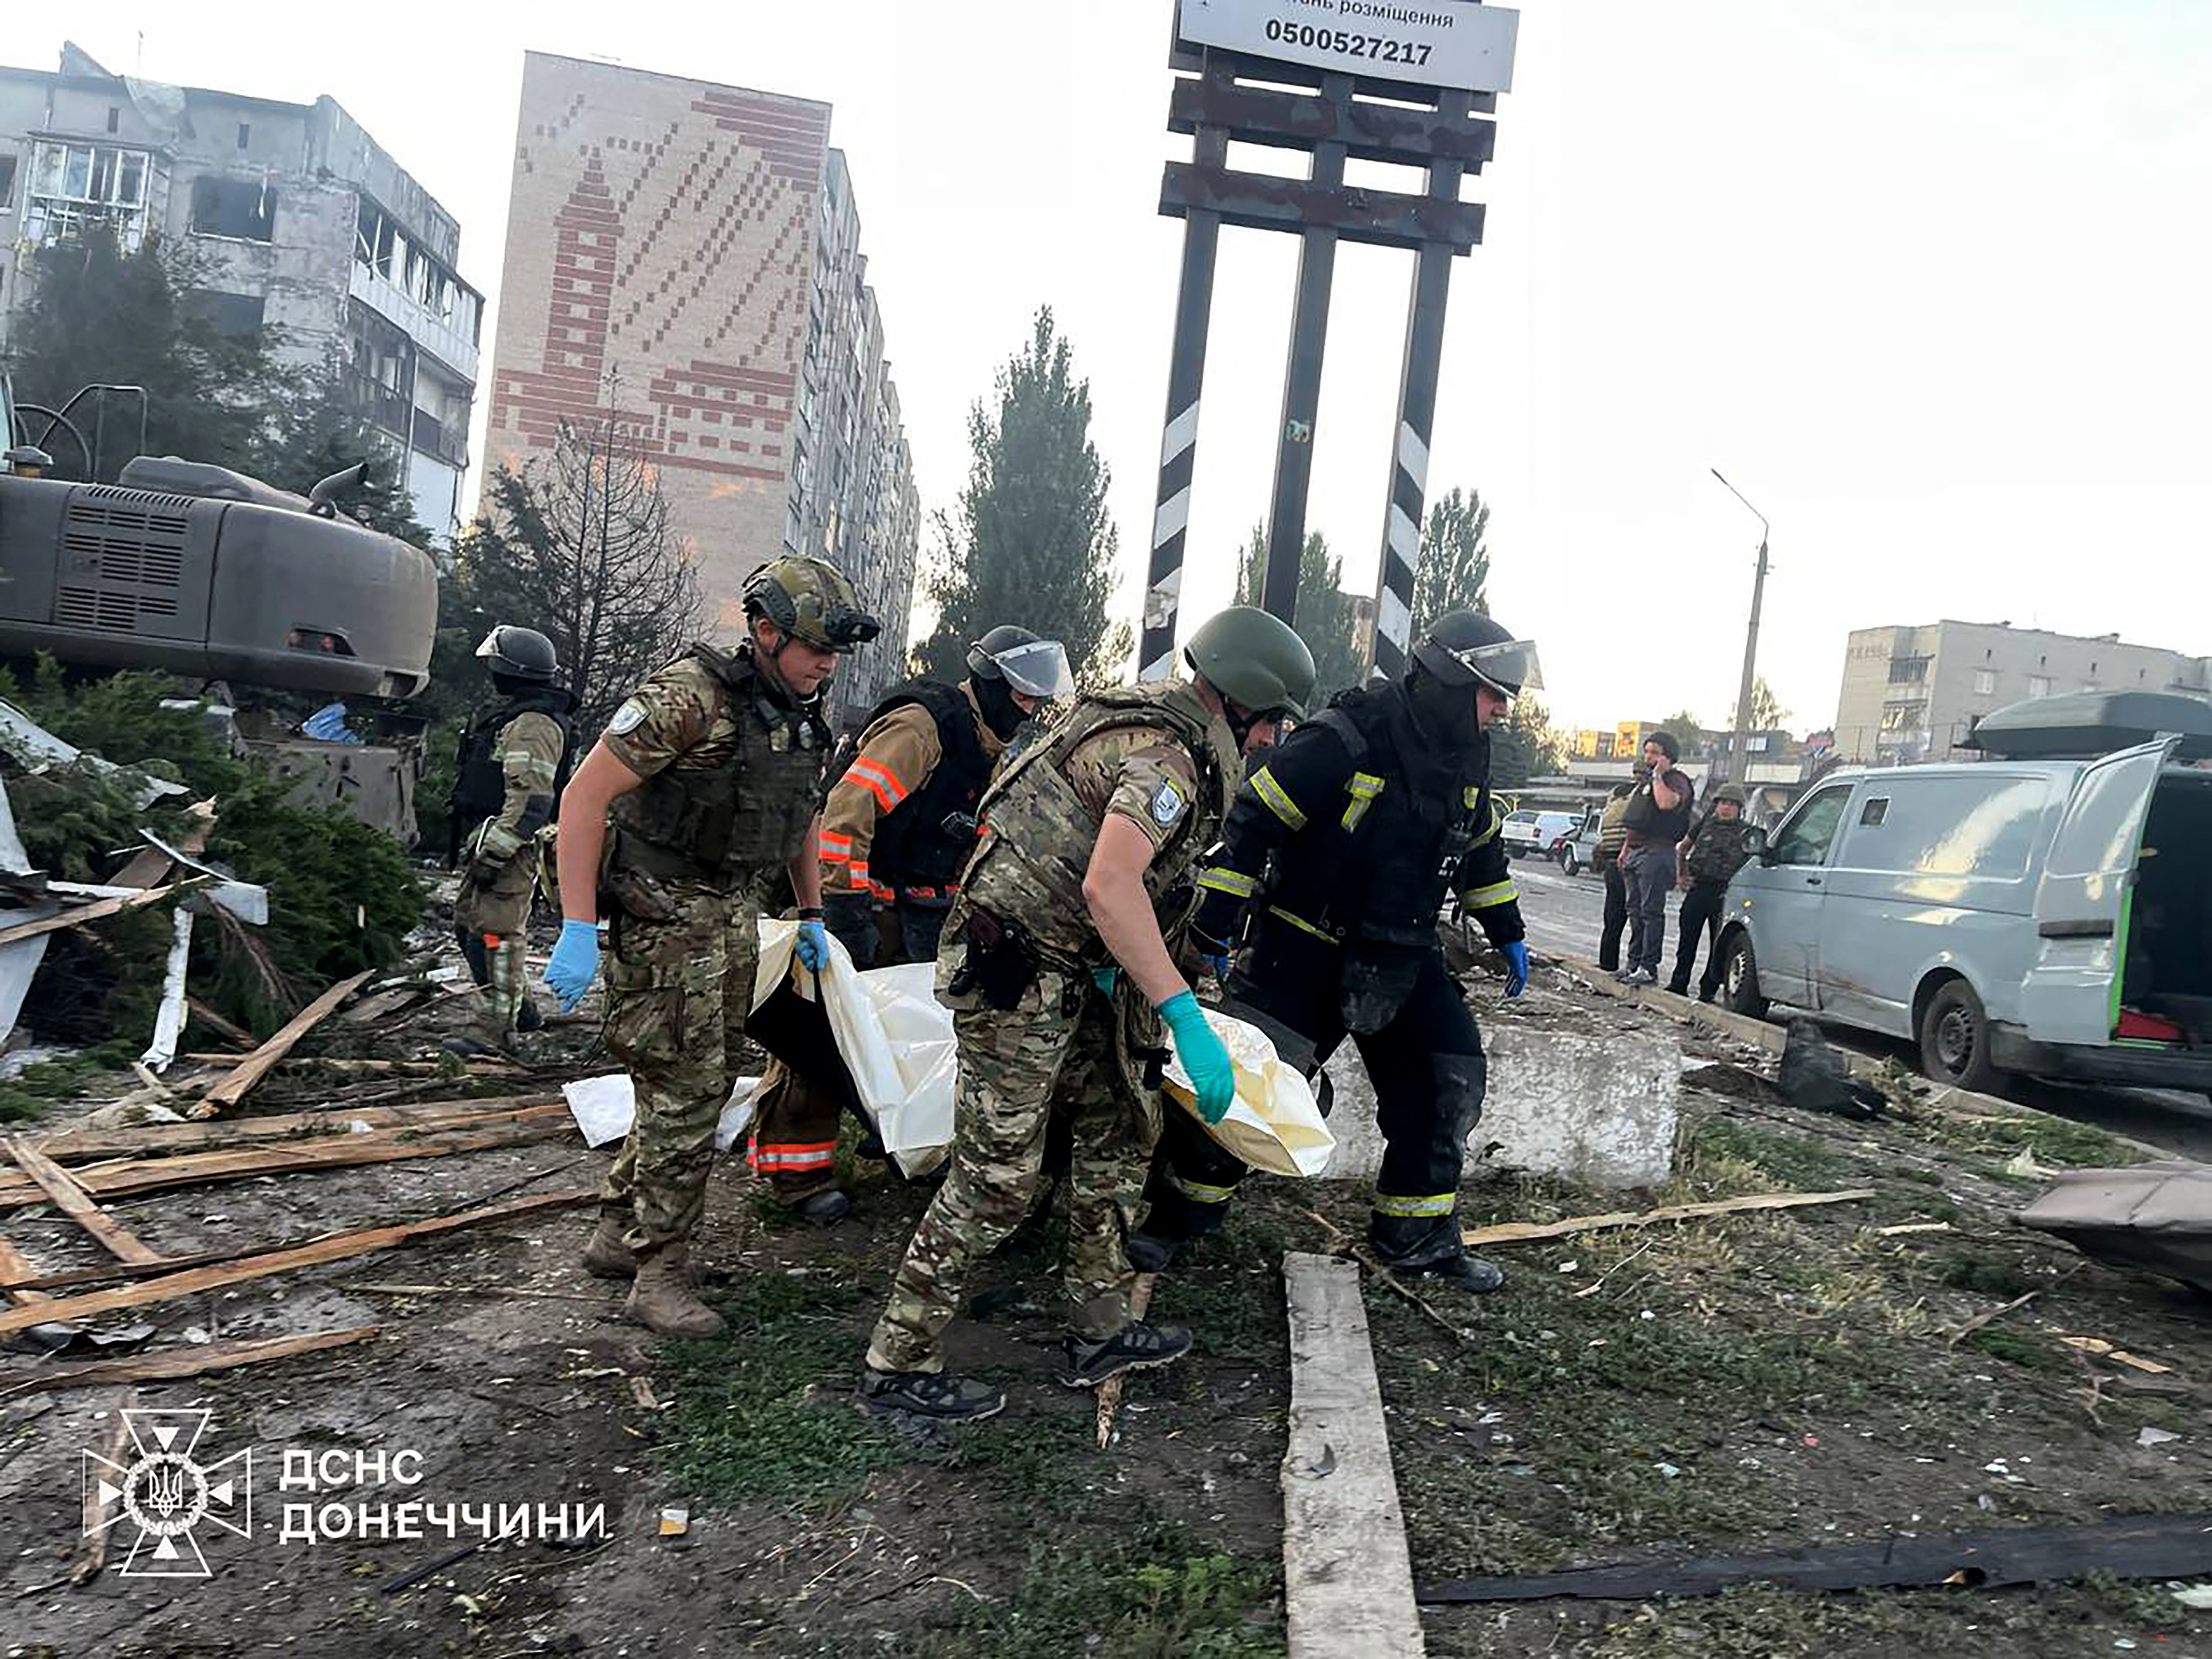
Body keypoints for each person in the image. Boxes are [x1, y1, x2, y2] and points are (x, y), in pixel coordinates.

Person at [861, 607, 1317, 1423]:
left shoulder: (1143, 723)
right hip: (1016, 974)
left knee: (1119, 1124)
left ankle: (1098, 1326)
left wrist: (1169, 988)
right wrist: (1181, 1014)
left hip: (1065, 967)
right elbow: (1110, 886)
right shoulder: (1166, 756)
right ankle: (896, 1359)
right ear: (1243, 701)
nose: (1268, 742)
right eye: (1271, 722)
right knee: (997, 1178)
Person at [1131, 610, 1540, 1290]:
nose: (1501, 709)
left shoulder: (1469, 752)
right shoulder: (1345, 736)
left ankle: (1415, 1235)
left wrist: (1510, 932)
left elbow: (1478, 850)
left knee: (1449, 1082)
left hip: (1406, 954)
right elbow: (1251, 823)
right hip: (1304, 948)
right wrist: (1218, 928)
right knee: (1245, 1092)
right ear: (1447, 680)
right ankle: (1173, 1218)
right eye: (1493, 693)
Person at [543, 557, 880, 1337]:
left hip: (729, 914)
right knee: (690, 1092)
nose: (826, 662)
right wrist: (576, 922)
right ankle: (658, 1273)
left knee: (680, 1088)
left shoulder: (798, 709)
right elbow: (584, 797)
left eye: (835, 651)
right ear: (764, 631)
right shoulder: (686, 698)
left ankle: (616, 1237)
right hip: (664, 913)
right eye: (813, 647)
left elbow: (801, 814)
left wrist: (812, 912)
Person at [750, 626, 1073, 1222]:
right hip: (864, 901)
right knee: (824, 1036)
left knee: (909, 1035)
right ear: (992, 684)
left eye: (1037, 703)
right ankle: (796, 1174)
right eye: (1023, 698)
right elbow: (845, 814)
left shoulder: (986, 743)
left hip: (926, 909)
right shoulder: (924, 728)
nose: (1028, 711)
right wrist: (841, 914)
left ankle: (900, 1138)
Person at [446, 626, 577, 1056]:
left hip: (511, 848)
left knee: (496, 936)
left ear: (511, 670)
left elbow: (532, 802)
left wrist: (496, 853)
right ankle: (518, 1008)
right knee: (470, 926)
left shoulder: (533, 724)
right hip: (495, 838)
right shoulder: (520, 717)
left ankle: (496, 1031)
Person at [1618, 733, 1695, 987]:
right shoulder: (1645, 783)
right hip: (1636, 852)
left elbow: (1665, 804)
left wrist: (1659, 776)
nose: (1649, 757)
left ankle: (1648, 967)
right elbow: (1637, 817)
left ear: (1668, 756)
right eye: (1647, 751)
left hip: (1657, 852)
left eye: (1655, 752)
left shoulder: (1676, 781)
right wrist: (1626, 849)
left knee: (1651, 912)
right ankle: (1633, 963)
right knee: (1635, 911)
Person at [1669, 782, 1754, 1000]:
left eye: (1732, 805)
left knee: (1719, 947)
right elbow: (1683, 847)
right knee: (1687, 941)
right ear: (1716, 806)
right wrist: (1682, 874)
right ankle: (1679, 982)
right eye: (1723, 803)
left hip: (1725, 894)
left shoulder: (1746, 833)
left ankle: (1708, 990)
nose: (1726, 808)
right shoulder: (1703, 826)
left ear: (1739, 809)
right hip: (1699, 889)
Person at [1594, 779, 1636, 974]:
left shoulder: (1615, 795)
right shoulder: (1640, 795)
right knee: (1639, 919)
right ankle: (1635, 966)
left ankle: (1607, 963)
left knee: (1613, 918)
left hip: (1612, 862)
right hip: (1630, 861)